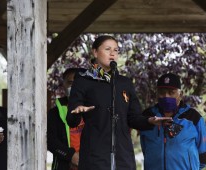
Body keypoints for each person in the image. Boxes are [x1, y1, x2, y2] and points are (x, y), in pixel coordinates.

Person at [66, 35, 168, 170]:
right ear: (95, 52)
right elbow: (71, 120)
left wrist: (150, 121)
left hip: (123, 156)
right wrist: (76, 112)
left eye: (116, 50)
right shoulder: (83, 80)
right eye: (108, 49)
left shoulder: (124, 83)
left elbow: (133, 118)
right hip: (95, 156)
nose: (113, 53)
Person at [140, 73, 206, 170]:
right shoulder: (147, 116)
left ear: (180, 94)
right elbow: (145, 148)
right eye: (162, 92)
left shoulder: (193, 118)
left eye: (171, 92)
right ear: (156, 93)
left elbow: (203, 152)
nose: (166, 96)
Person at [47, 68, 85, 170]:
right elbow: (50, 141)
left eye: (78, 83)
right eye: (70, 83)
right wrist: (70, 156)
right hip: (63, 165)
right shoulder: (53, 113)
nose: (74, 87)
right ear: (63, 84)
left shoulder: (94, 110)